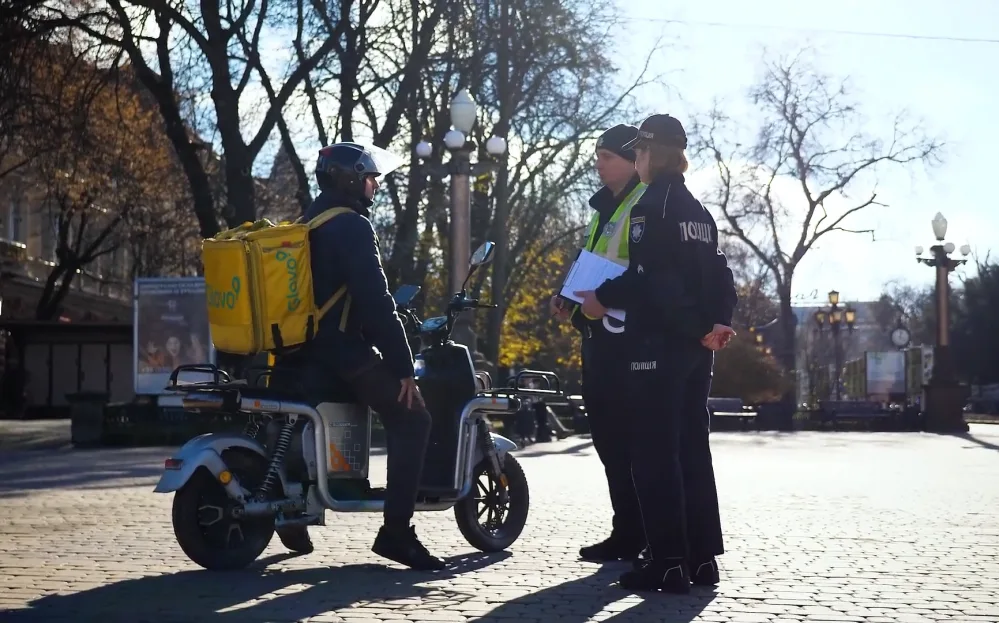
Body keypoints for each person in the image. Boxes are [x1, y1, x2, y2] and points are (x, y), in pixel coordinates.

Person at [574, 114, 738, 594]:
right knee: (692, 451)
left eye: (639, 153)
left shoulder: (652, 206)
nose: (638, 160)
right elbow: (718, 274)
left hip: (656, 347)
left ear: (649, 154)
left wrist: (603, 297)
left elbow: (651, 280)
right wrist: (717, 324)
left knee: (654, 453)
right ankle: (702, 558)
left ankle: (666, 561)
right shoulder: (698, 211)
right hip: (694, 351)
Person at [272, 142, 444, 571]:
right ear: (350, 179)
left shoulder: (307, 223)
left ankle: (291, 504)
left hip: (296, 351)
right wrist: (404, 368)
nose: (375, 185)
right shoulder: (351, 226)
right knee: (413, 417)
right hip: (339, 352)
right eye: (370, 177)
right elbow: (374, 301)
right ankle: (397, 534)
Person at [549, 124, 648, 562]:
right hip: (597, 334)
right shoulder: (603, 207)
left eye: (606, 156)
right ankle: (626, 529)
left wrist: (600, 299)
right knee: (609, 440)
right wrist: (566, 294)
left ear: (632, 159)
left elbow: (643, 271)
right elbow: (591, 260)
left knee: (630, 440)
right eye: (598, 155)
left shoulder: (643, 202)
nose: (598, 163)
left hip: (629, 338)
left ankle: (638, 531)